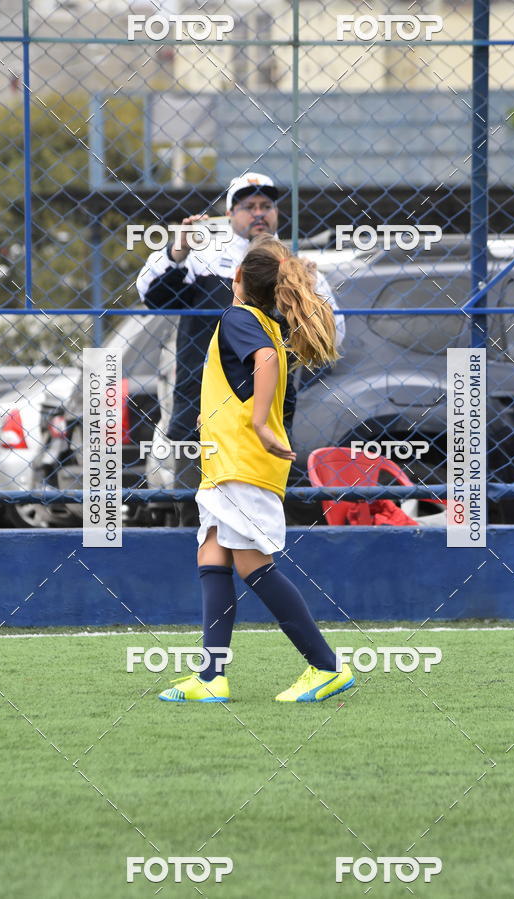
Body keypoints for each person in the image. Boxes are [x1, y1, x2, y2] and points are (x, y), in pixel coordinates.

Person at [158, 234, 354, 704]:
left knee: (252, 565)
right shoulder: (265, 322)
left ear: (238, 278)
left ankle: (325, 667)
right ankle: (211, 677)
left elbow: (263, 363)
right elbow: (242, 379)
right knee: (212, 552)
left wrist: (261, 424)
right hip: (228, 464)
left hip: (242, 465)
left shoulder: (241, 318)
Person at [136, 172, 345, 523]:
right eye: (248, 206)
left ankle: (259, 573)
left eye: (266, 205)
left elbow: (333, 337)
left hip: (266, 415)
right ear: (230, 215)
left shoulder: (296, 268)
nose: (259, 213)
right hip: (199, 414)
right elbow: (151, 296)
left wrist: (294, 327)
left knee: (265, 516)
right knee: (197, 515)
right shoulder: (201, 260)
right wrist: (178, 249)